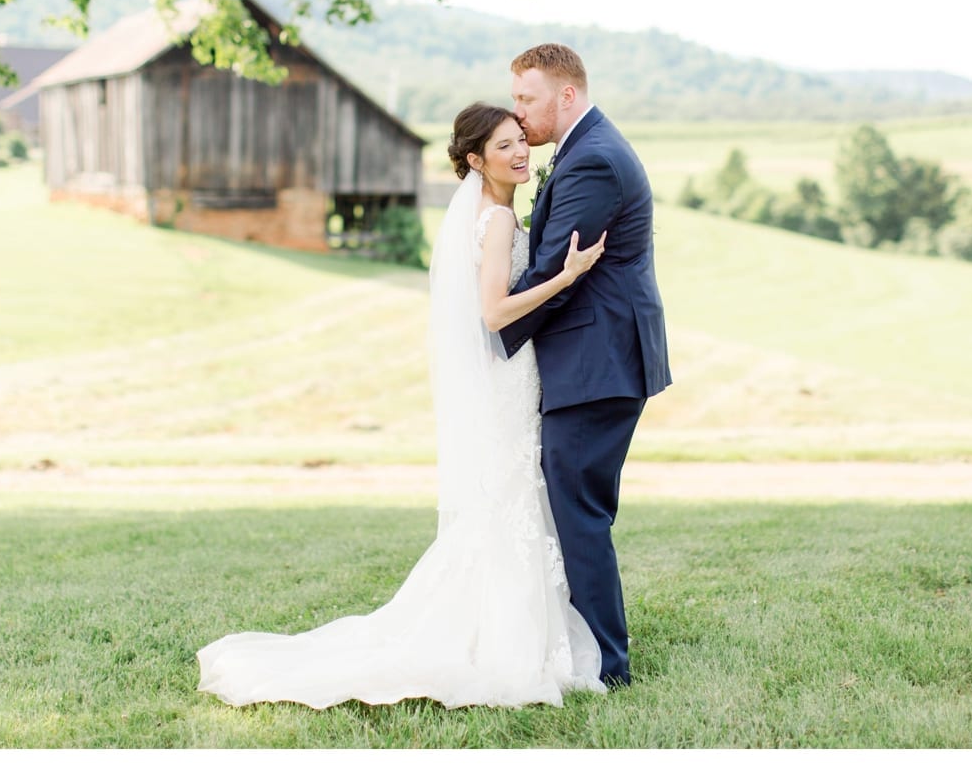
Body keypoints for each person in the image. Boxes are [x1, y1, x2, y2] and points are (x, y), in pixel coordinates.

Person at [197, 103, 610, 709]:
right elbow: (493, 312)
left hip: (510, 376)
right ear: (475, 160)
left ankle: (503, 628)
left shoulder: (492, 212)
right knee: (510, 499)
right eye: (504, 146)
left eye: (522, 139)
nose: (521, 151)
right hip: (506, 377)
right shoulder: (494, 221)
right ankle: (506, 643)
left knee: (508, 501)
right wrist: (567, 276)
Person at [500, 44, 671, 689]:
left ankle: (606, 664)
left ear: (566, 95)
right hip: (593, 359)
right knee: (578, 506)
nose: (518, 114)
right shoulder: (583, 148)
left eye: (528, 99)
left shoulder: (592, 159)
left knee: (579, 511)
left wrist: (491, 333)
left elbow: (556, 272)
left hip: (597, 361)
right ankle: (586, 646)